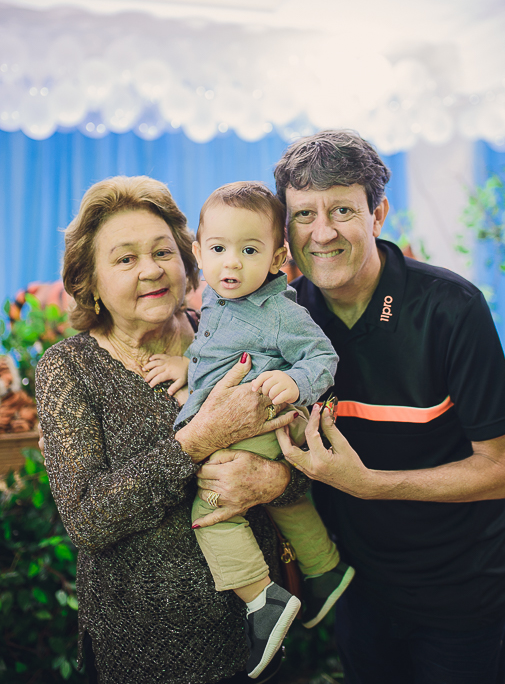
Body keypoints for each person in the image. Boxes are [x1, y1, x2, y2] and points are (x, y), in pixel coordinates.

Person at [267, 130, 505, 684]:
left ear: (378, 213)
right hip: (359, 592)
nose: (323, 232)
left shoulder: (451, 309)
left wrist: (370, 483)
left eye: (342, 209)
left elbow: (502, 471)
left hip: (460, 595)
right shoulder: (285, 319)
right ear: (284, 231)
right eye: (303, 214)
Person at [35, 175, 303, 684]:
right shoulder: (68, 369)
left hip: (255, 642)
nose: (152, 270)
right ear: (88, 281)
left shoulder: (227, 333)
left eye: (163, 252)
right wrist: (198, 438)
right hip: (139, 655)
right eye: (125, 259)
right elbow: (89, 518)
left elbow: (302, 451)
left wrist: (279, 481)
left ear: (189, 259)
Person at [144, 182, 354, 678]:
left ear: (280, 256)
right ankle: (324, 570)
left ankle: (263, 600)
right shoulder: (216, 298)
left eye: (249, 250)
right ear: (198, 252)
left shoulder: (280, 311)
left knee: (213, 504)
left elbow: (323, 356)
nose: (231, 263)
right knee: (283, 499)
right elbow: (220, 357)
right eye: (218, 249)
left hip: (261, 415)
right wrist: (186, 368)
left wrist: (294, 379)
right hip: (245, 416)